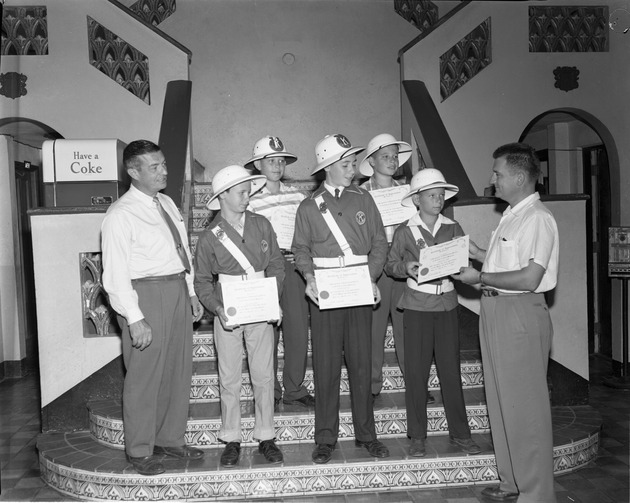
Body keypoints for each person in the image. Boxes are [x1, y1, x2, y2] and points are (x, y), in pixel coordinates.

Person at [458, 143, 559, 503]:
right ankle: (511, 482)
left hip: (519, 314)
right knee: (502, 402)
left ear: (519, 177)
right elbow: (505, 264)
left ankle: (536, 494)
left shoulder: (538, 218)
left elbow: (530, 278)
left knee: (526, 408)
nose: (492, 180)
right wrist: (477, 254)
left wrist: (479, 278)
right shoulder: (514, 215)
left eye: (497, 174)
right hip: (497, 312)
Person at [101, 140, 204, 476]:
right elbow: (115, 276)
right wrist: (134, 318)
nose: (164, 171)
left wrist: (189, 292)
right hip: (144, 296)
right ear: (134, 171)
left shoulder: (166, 202)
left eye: (163, 164)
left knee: (177, 371)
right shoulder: (120, 214)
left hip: (175, 287)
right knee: (145, 377)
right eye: (155, 166)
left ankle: (170, 439)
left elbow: (180, 249)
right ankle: (140, 449)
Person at [292, 134, 390, 464]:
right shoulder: (308, 206)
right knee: (326, 365)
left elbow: (379, 242)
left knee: (361, 364)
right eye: (347, 165)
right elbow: (300, 249)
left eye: (352, 164)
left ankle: (366, 435)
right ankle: (325, 437)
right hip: (327, 293)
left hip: (360, 287)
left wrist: (371, 276)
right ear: (329, 168)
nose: (353, 170)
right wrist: (308, 277)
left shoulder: (363, 199)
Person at [385, 168, 481, 458]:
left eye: (441, 195)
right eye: (431, 195)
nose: (438, 200)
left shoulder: (453, 227)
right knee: (416, 373)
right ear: (417, 200)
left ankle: (461, 434)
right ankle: (417, 436)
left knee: (451, 371)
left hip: (448, 305)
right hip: (416, 306)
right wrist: (406, 268)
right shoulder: (405, 230)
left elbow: (465, 259)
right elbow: (391, 264)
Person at [194, 165, 285, 468]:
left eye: (248, 190)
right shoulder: (209, 236)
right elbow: (203, 280)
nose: (248, 196)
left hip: (260, 306)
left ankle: (266, 435)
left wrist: (274, 298)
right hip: (228, 310)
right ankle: (231, 437)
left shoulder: (261, 225)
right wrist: (216, 307)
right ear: (223, 196)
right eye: (241, 192)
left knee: (263, 374)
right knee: (229, 376)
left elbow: (276, 264)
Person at [246, 136, 315, 411]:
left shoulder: (297, 197)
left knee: (297, 328)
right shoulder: (248, 199)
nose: (276, 165)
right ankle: (269, 389)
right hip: (265, 269)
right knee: (268, 332)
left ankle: (294, 388)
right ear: (258, 164)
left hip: (294, 264)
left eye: (280, 161)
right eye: (270, 160)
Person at [358, 133, 411, 398]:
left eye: (394, 156)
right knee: (374, 328)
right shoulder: (360, 193)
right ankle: (372, 384)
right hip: (375, 267)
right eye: (385, 156)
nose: (391, 161)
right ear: (372, 161)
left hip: (402, 266)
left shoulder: (407, 191)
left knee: (406, 327)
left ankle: (414, 382)